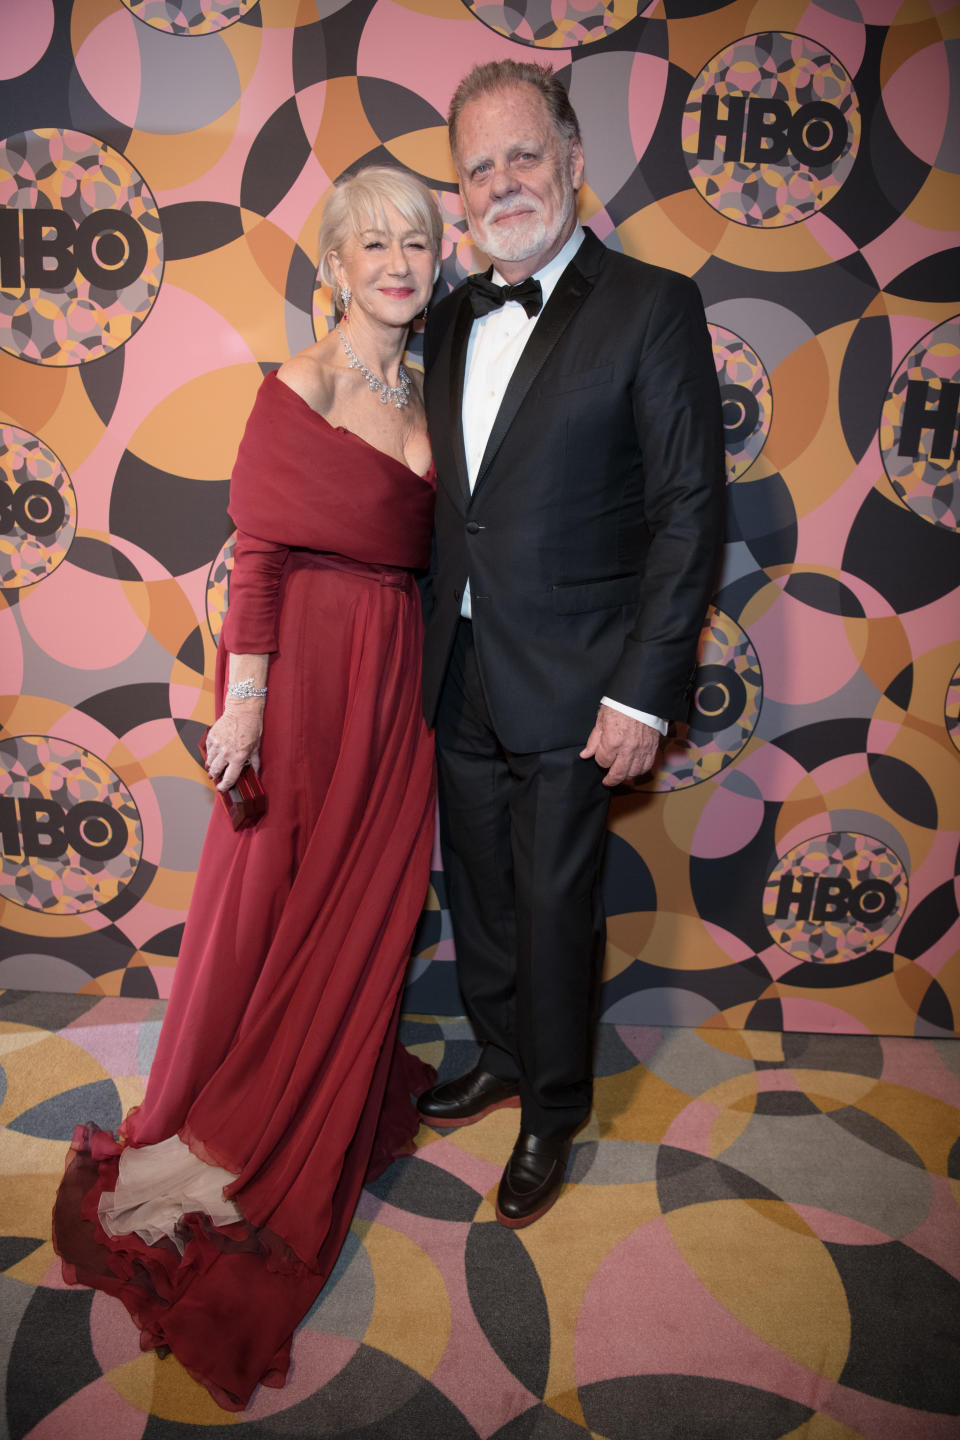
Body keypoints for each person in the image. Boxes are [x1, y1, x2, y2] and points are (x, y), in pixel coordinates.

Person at [53, 165, 444, 1411]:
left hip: (402, 683)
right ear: (333, 264)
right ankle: (251, 1112)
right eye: (374, 242)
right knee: (283, 909)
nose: (398, 260)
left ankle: (331, 1070)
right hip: (314, 676)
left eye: (419, 242)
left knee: (367, 913)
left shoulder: (439, 388)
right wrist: (249, 704)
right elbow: (264, 558)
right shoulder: (308, 384)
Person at [416, 61, 726, 1228]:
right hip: (459, 670)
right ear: (460, 194)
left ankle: (553, 1106)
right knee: (484, 894)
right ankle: (498, 1054)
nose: (502, 184)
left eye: (523, 156)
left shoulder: (653, 307)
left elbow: (690, 511)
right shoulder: (446, 317)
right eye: (478, 167)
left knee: (555, 904)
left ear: (573, 163)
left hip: (581, 678)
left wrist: (644, 695)